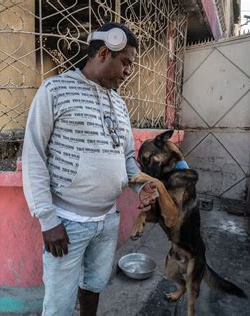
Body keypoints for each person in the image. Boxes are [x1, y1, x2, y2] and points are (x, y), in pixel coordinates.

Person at [22, 22, 158, 316]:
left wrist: (139, 185)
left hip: (107, 221)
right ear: (104, 52)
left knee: (94, 286)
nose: (128, 71)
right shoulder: (55, 90)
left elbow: (126, 157)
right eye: (125, 62)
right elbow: (33, 154)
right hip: (66, 224)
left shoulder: (119, 104)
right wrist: (48, 220)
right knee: (58, 305)